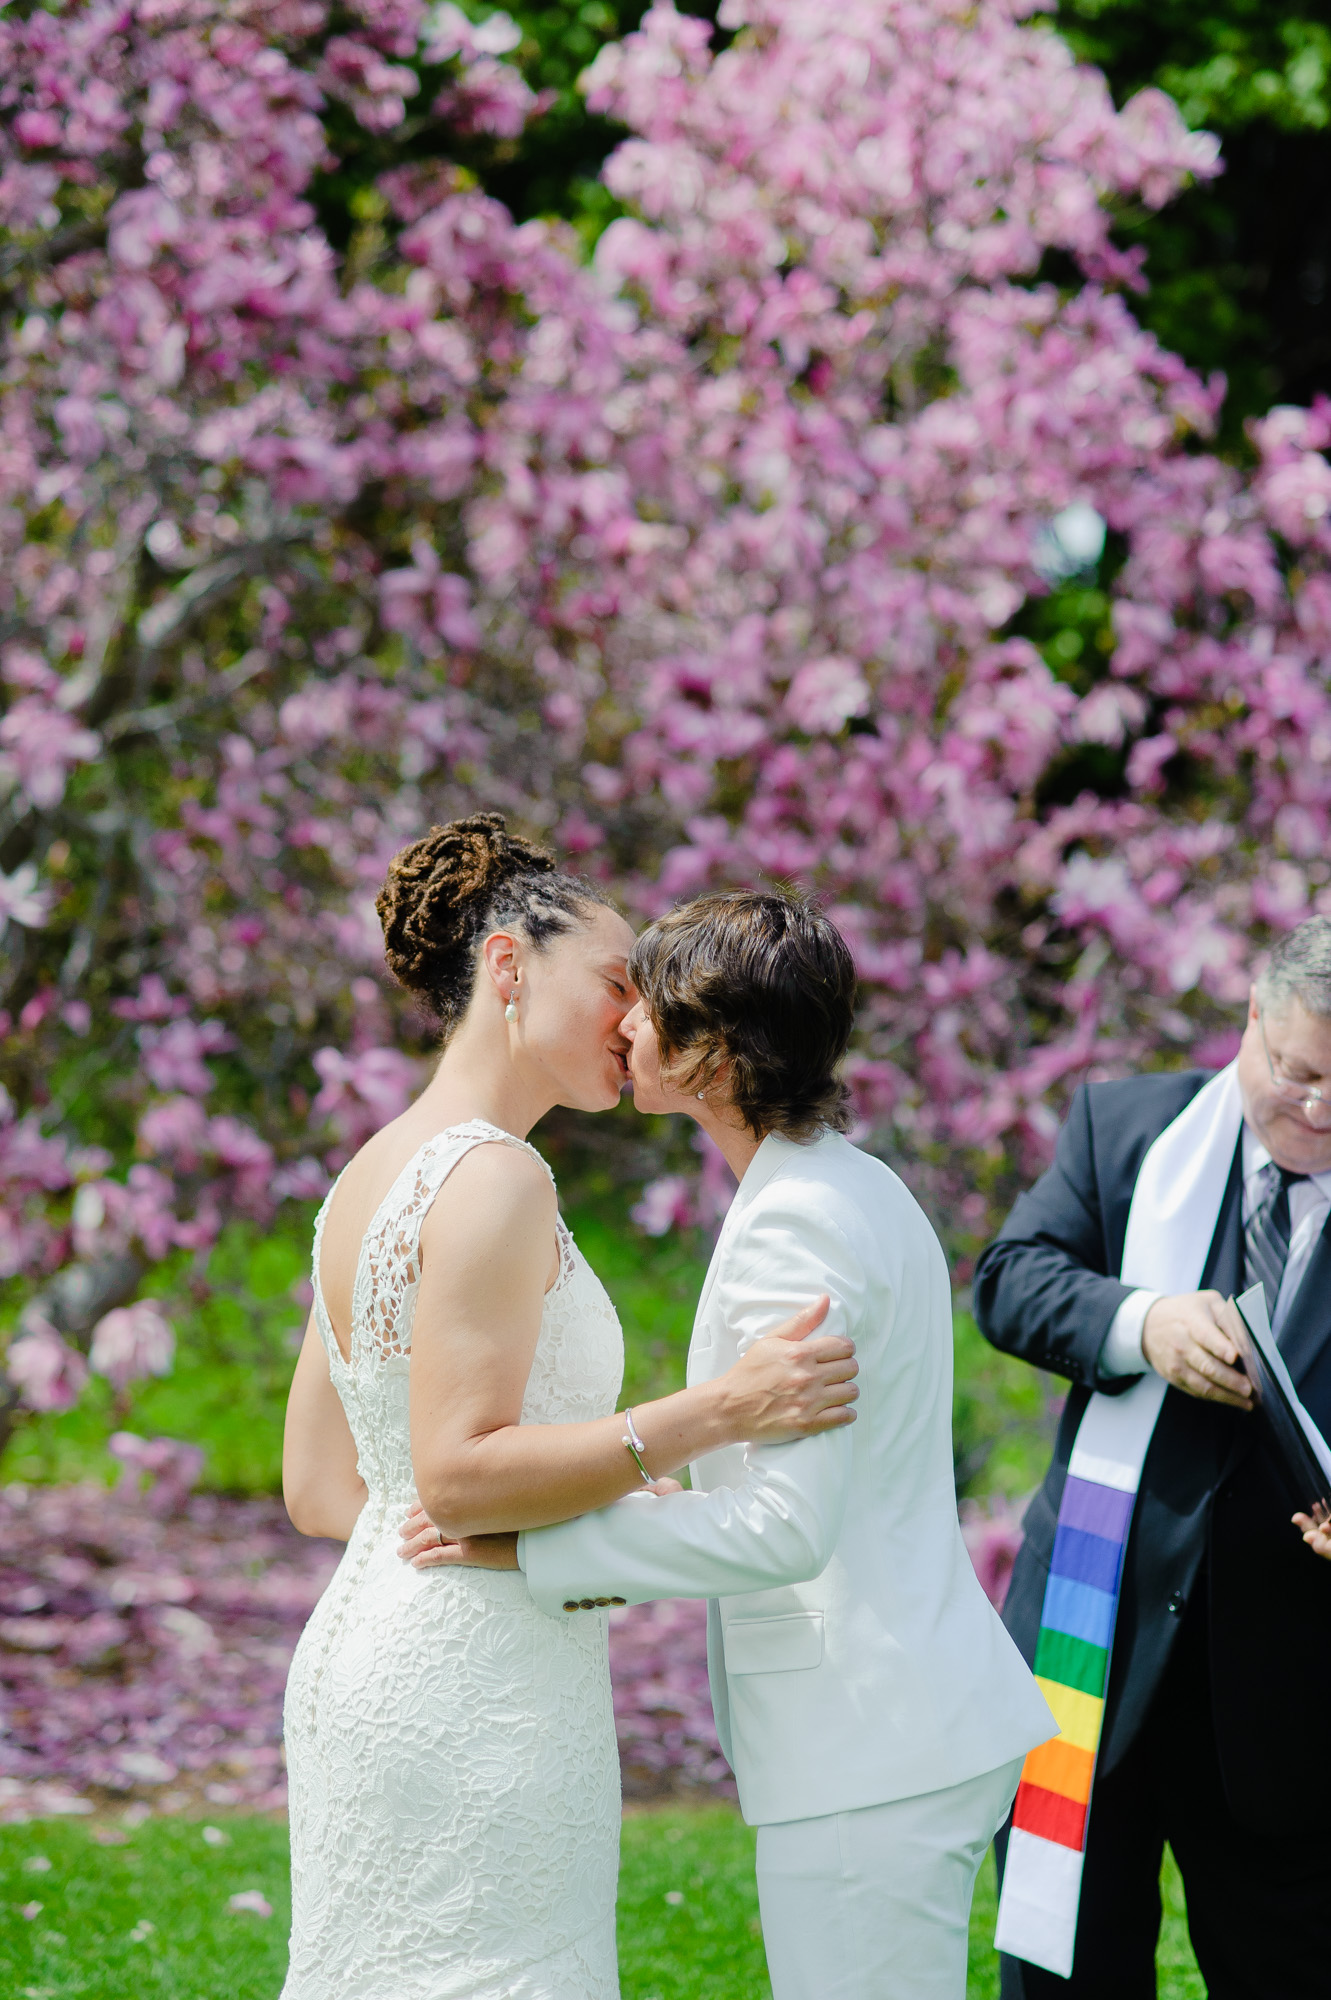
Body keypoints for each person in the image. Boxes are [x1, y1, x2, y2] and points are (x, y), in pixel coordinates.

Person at [403, 889, 1054, 2000]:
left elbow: (779, 1527)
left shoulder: (797, 1219)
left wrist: (531, 1549)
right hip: (900, 1720)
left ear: (718, 1047)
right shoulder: (839, 1179)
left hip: (870, 1738)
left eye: (646, 1006)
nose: (621, 1026)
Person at [279, 817, 857, 2000]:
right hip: (474, 1687)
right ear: (505, 967)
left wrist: (529, 1514)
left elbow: (325, 1487)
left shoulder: (366, 1171)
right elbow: (454, 1471)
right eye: (612, 981)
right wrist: (711, 1411)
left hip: (369, 1648)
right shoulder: (495, 1172)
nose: (633, 1018)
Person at [975, 915, 1331, 2000]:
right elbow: (1008, 1278)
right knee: (1061, 1971)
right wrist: (1140, 1323)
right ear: (1248, 1027)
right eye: (1297, 1071)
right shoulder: (1126, 1127)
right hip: (1093, 1639)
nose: (1316, 1108)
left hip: (1287, 1684)